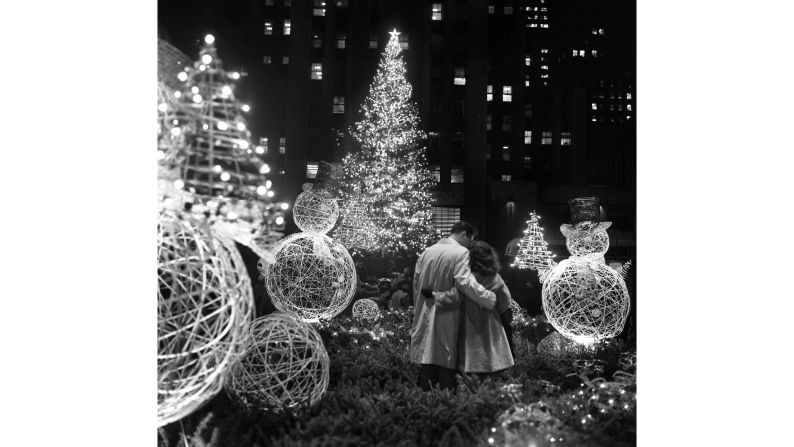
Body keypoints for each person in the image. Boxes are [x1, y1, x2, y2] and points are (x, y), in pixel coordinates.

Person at [411, 221, 497, 391]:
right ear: (464, 234)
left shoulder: (427, 252)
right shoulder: (461, 252)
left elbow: (416, 286)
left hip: (425, 314)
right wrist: (489, 298)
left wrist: (420, 308)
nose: (470, 244)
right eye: (470, 239)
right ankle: (446, 408)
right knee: (446, 368)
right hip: (447, 315)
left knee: (427, 366)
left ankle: (422, 406)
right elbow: (465, 282)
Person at [428, 241, 515, 375]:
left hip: (468, 324)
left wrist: (435, 296)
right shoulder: (495, 277)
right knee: (492, 363)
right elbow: (505, 300)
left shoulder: (465, 278)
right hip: (491, 324)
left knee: (470, 365)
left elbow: (454, 298)